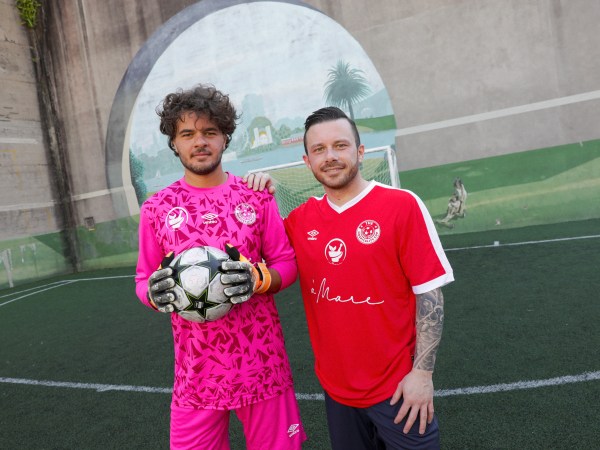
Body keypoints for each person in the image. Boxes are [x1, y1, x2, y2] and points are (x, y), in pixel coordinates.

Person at [249, 106, 453, 449]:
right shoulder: (299, 221)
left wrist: (422, 374)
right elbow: (260, 257)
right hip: (337, 392)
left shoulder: (401, 206)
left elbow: (430, 296)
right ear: (307, 161)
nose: (330, 157)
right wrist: (259, 197)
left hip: (398, 390)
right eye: (319, 150)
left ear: (360, 151)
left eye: (340, 145)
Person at [134, 84, 306, 450]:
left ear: (225, 138)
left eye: (210, 132)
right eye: (188, 134)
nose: (200, 141)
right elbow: (142, 278)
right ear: (174, 143)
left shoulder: (256, 196)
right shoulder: (157, 209)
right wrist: (152, 294)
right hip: (196, 374)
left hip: (262, 366)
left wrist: (259, 279)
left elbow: (286, 264)